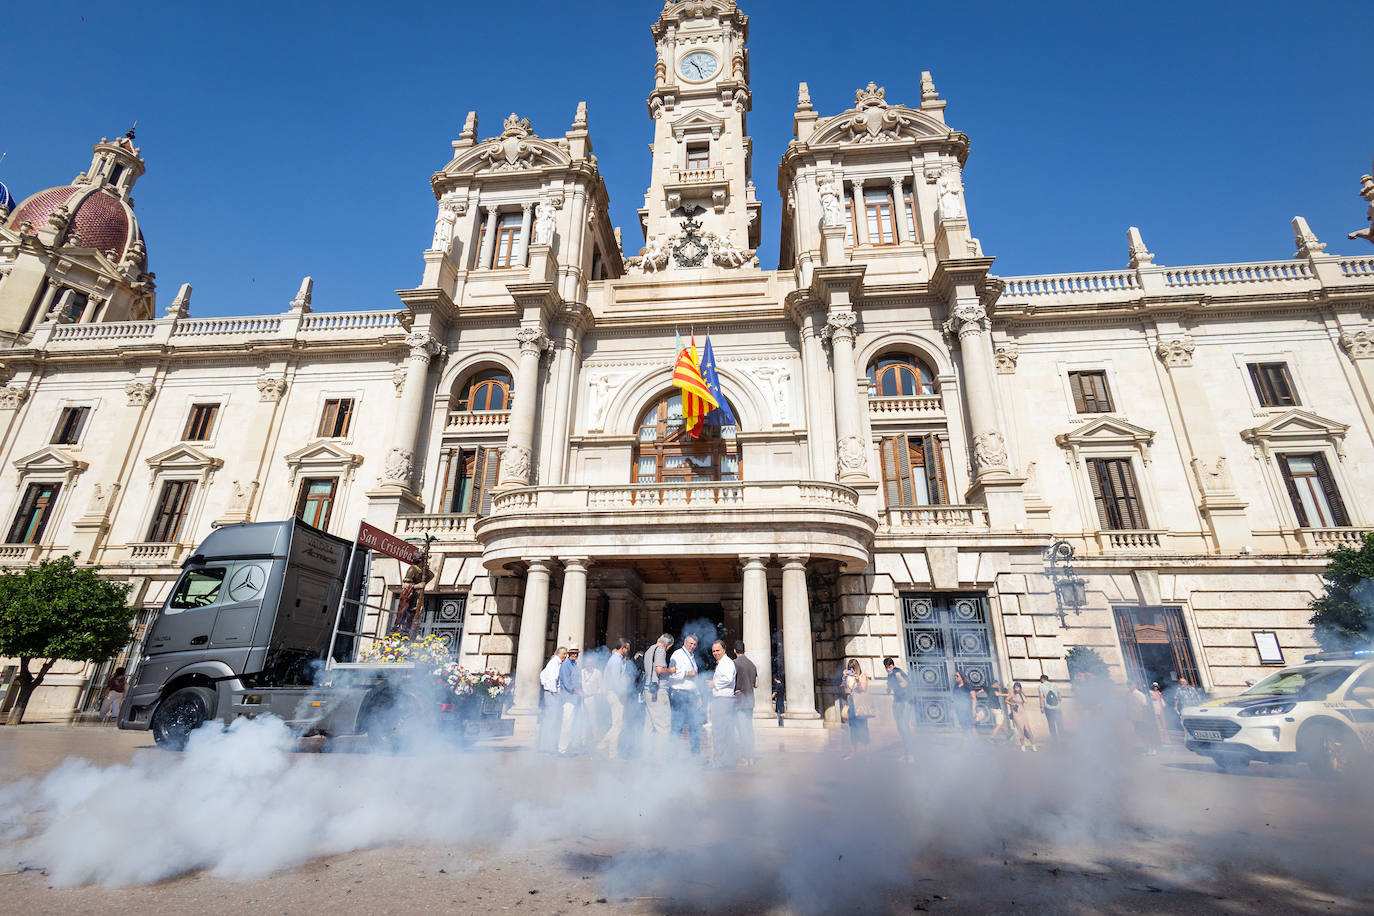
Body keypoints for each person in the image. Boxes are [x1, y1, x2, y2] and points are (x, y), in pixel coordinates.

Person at [597, 638, 632, 759]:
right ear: (623, 648)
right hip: (615, 694)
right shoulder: (616, 661)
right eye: (627, 648)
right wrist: (622, 694)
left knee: (617, 724)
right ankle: (611, 752)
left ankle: (602, 746)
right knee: (617, 724)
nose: (628, 651)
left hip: (612, 693)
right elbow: (616, 681)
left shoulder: (616, 659)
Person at [642, 634, 674, 760]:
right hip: (658, 692)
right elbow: (660, 669)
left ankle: (647, 756)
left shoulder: (650, 649)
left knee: (649, 726)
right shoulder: (660, 650)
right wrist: (671, 671)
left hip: (648, 690)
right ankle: (661, 758)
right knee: (664, 726)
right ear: (668, 645)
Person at [668, 634, 702, 756]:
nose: (692, 646)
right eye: (690, 643)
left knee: (694, 725)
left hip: (691, 695)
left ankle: (696, 756)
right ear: (685, 642)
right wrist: (687, 673)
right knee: (677, 726)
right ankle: (672, 756)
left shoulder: (692, 657)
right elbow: (672, 674)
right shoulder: (677, 654)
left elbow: (695, 679)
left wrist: (698, 695)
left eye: (694, 644)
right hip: (679, 694)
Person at [708, 640, 737, 768]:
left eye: (718, 650)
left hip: (723, 701)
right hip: (724, 700)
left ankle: (718, 762)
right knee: (726, 732)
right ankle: (728, 761)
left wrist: (714, 684)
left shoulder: (726, 663)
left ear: (724, 650)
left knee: (719, 731)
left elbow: (728, 678)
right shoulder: (722, 663)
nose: (715, 653)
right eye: (714, 651)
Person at [883, 657, 917, 761]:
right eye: (886, 667)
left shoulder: (897, 672)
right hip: (897, 702)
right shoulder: (890, 675)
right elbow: (889, 690)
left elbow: (905, 684)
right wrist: (888, 688)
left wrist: (900, 678)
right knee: (900, 727)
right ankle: (906, 753)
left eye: (889, 667)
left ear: (893, 665)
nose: (888, 669)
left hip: (905, 702)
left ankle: (910, 754)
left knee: (904, 727)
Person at [732, 640, 759, 766]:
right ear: (745, 650)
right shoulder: (752, 665)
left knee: (742, 730)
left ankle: (746, 757)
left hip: (740, 700)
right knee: (749, 729)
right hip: (750, 700)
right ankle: (752, 756)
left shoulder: (734, 664)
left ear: (734, 651)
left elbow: (731, 682)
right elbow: (756, 684)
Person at [538, 647, 567, 754]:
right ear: (558, 653)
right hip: (552, 694)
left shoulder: (554, 662)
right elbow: (553, 679)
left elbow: (542, 675)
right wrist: (554, 693)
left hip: (550, 693)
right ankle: (547, 746)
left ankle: (547, 744)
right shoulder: (555, 663)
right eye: (564, 654)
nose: (565, 656)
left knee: (551, 718)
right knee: (552, 719)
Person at [841, 659, 871, 758]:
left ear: (857, 667)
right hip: (852, 703)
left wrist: (857, 679)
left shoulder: (863, 676)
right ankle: (853, 752)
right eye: (850, 668)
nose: (852, 670)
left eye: (853, 667)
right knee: (852, 728)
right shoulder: (849, 677)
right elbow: (845, 689)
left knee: (863, 728)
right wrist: (844, 678)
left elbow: (863, 689)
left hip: (861, 705)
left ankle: (867, 753)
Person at [557, 647, 583, 756]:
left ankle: (568, 747)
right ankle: (562, 749)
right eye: (573, 653)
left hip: (575, 698)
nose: (575, 655)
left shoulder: (574, 664)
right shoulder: (565, 665)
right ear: (569, 654)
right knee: (567, 724)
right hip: (568, 698)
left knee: (572, 724)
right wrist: (577, 691)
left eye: (576, 653)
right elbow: (567, 683)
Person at [1130, 681, 1159, 755]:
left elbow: (1145, 706)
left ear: (1134, 685)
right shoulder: (1130, 694)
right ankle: (1148, 748)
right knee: (1141, 734)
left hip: (1142, 717)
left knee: (1147, 734)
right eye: (1128, 685)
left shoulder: (1140, 695)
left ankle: (1152, 749)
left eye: (1130, 685)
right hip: (1135, 717)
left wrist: (1145, 717)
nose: (1129, 687)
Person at [1008, 682, 1038, 752]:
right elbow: (1006, 700)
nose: (1016, 689)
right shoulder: (1012, 694)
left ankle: (1033, 745)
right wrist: (1012, 704)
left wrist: (1021, 694)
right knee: (1020, 730)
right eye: (1015, 687)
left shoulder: (1022, 694)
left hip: (1023, 713)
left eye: (1018, 687)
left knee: (1027, 730)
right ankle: (1023, 746)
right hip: (1016, 713)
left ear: (1020, 688)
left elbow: (1026, 701)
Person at [950, 670, 980, 737]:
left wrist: (973, 710)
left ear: (961, 677)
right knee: (963, 727)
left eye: (957, 676)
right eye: (955, 676)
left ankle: (979, 744)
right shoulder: (956, 686)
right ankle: (966, 743)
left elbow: (974, 698)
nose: (955, 677)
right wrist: (952, 709)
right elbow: (954, 699)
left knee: (971, 727)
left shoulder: (968, 685)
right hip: (960, 710)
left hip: (968, 709)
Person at [1039, 674, 1063, 746]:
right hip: (1057, 708)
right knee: (1060, 724)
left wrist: (1041, 707)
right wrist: (1058, 704)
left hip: (1048, 708)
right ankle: (1063, 739)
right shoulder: (1054, 685)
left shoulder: (1041, 686)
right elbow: (1060, 697)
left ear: (1042, 679)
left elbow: (1041, 697)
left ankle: (1055, 741)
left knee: (1051, 724)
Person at [987, 680, 1013, 744]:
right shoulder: (994, 689)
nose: (998, 685)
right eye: (998, 684)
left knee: (1001, 724)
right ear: (994, 684)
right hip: (997, 709)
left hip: (993, 709)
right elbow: (997, 694)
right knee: (999, 725)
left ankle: (1008, 735)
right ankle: (991, 738)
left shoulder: (990, 689)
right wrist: (1006, 694)